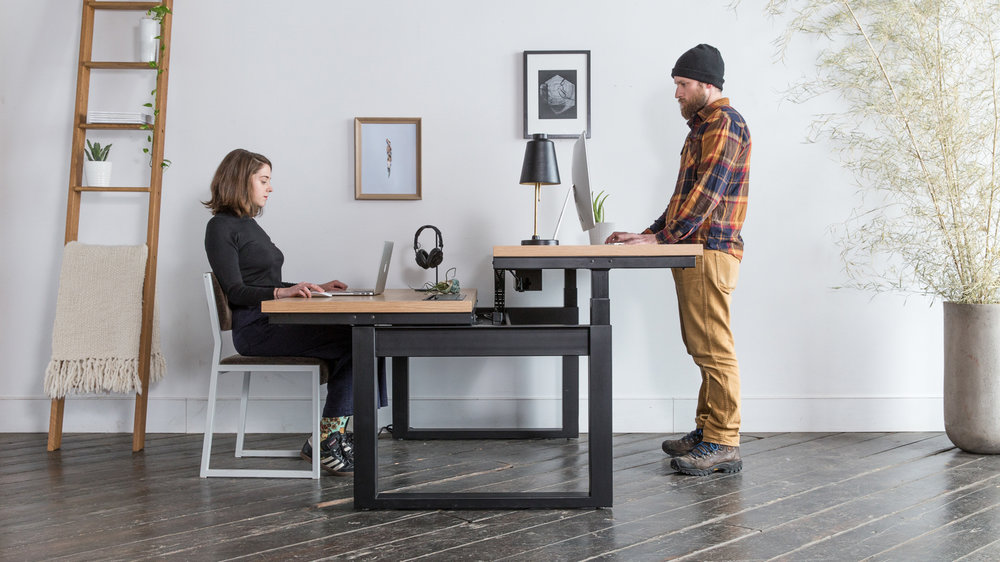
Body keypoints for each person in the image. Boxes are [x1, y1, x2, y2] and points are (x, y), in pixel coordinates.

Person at [607, 44, 751, 476]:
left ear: (708, 85)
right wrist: (651, 234)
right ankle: (709, 431)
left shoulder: (724, 124)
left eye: (683, 85)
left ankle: (724, 442)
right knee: (702, 347)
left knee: (714, 349)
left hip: (709, 250)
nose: (677, 94)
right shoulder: (702, 128)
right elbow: (684, 198)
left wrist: (664, 238)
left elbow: (706, 196)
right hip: (694, 248)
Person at [203, 148, 387, 476]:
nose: (269, 187)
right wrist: (281, 292)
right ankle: (329, 437)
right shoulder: (220, 227)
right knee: (357, 341)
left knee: (361, 336)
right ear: (239, 180)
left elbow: (265, 281)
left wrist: (312, 286)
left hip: (274, 319)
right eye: (263, 179)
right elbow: (236, 291)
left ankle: (328, 437)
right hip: (254, 330)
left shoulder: (249, 225)